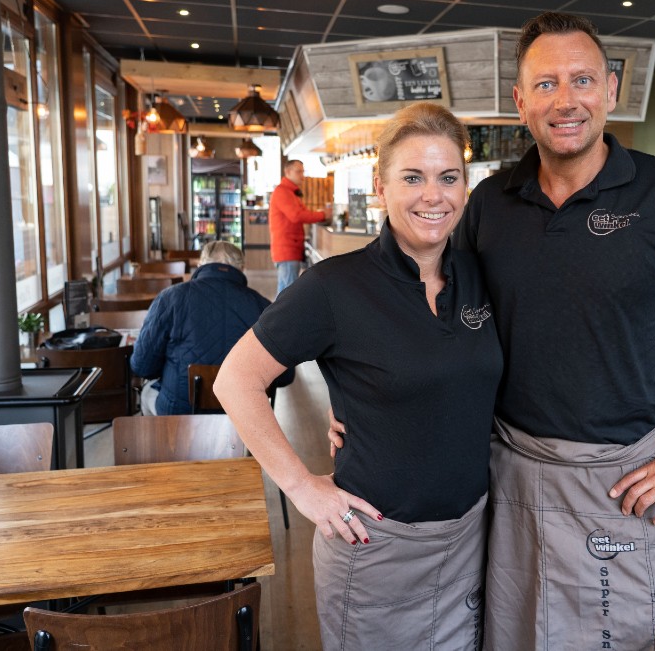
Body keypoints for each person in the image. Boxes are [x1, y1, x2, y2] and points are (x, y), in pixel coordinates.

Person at [332, 13, 655, 649]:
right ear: (522, 103)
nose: (566, 99)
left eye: (581, 79)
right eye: (546, 84)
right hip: (508, 473)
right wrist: (367, 404)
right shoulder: (490, 204)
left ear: (609, 88)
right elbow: (425, 311)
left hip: (621, 487)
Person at [214, 102, 502, 650]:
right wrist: (301, 486)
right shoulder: (334, 287)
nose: (432, 195)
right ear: (380, 185)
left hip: (471, 536)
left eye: (449, 178)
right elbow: (235, 380)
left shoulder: (478, 276)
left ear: (466, 186)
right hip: (377, 547)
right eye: (412, 177)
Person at [130, 240, 291, 415]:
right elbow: (285, 376)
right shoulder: (264, 307)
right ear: (242, 268)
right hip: (241, 416)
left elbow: (142, 366)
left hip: (180, 413)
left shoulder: (170, 298)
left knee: (147, 393)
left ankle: (166, 441)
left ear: (200, 265)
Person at [269, 159, 328, 295]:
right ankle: (282, 317)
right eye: (299, 172)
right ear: (288, 172)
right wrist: (323, 215)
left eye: (303, 171)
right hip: (287, 249)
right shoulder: (283, 192)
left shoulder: (290, 192)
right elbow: (296, 215)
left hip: (289, 248)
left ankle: (279, 316)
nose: (302, 175)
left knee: (284, 292)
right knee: (288, 295)